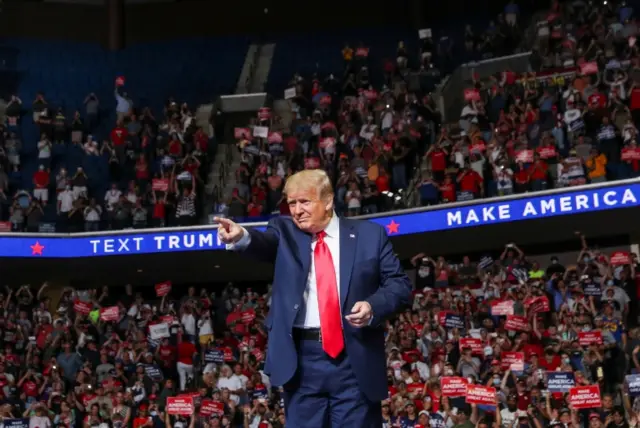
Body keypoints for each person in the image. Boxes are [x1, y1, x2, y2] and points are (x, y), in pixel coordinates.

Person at [216, 168, 412, 427]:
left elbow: (400, 285)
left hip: (353, 358)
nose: (297, 210)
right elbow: (263, 243)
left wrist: (372, 306)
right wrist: (242, 237)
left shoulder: (369, 236)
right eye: (292, 203)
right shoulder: (284, 231)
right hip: (301, 362)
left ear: (328, 200)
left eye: (305, 202)